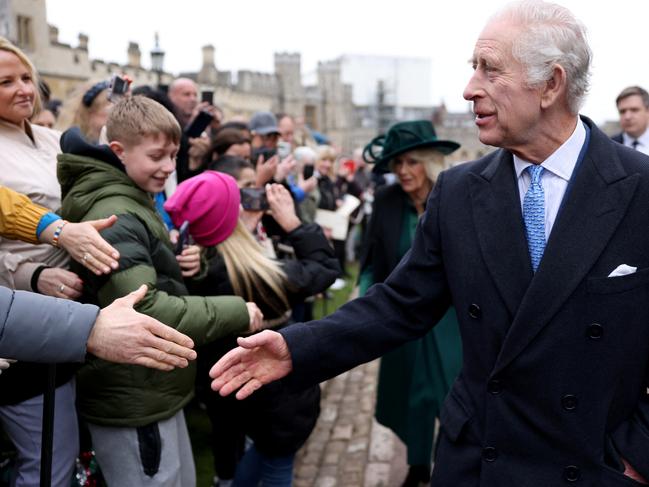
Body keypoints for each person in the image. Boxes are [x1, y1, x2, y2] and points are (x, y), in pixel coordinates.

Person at [210, 1, 649, 485]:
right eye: (472, 68)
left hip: (592, 464)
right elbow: (399, 304)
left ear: (551, 84)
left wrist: (639, 453)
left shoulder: (640, 189)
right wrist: (298, 348)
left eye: (490, 70)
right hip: (481, 460)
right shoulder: (459, 192)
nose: (469, 89)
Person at [57, 96, 262, 487]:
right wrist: (239, 311)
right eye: (157, 157)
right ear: (118, 151)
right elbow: (144, 309)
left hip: (151, 387)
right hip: (132, 395)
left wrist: (188, 264)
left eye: (173, 155)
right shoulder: (116, 213)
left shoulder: (134, 197)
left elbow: (150, 274)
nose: (169, 167)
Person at [164, 173, 338, 487]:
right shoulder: (259, 276)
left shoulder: (191, 269)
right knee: (275, 467)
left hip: (230, 395)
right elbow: (324, 268)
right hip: (277, 401)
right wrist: (294, 225)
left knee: (254, 457)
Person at [0, 36, 89, 487]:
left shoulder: (52, 138)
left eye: (26, 77)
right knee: (45, 458)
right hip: (20, 318)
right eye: (6, 81)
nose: (23, 89)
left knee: (68, 444)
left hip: (72, 305)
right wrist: (33, 275)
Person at [360, 120, 463, 486]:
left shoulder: (454, 196)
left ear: (430, 162)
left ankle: (450, 465)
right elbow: (372, 259)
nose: (403, 171)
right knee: (410, 395)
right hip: (403, 316)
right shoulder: (386, 202)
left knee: (451, 395)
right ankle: (418, 465)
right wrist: (366, 295)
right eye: (397, 164)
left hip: (452, 320)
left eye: (412, 162)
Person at [0, 186, 196, 368]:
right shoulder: (115, 209)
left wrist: (58, 229)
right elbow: (149, 307)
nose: (169, 167)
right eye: (156, 156)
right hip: (37, 341)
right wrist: (89, 327)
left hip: (59, 340)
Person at [612, 86, 649, 155]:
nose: (627, 117)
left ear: (647, 111)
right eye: (622, 111)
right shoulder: (609, 146)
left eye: (634, 110)